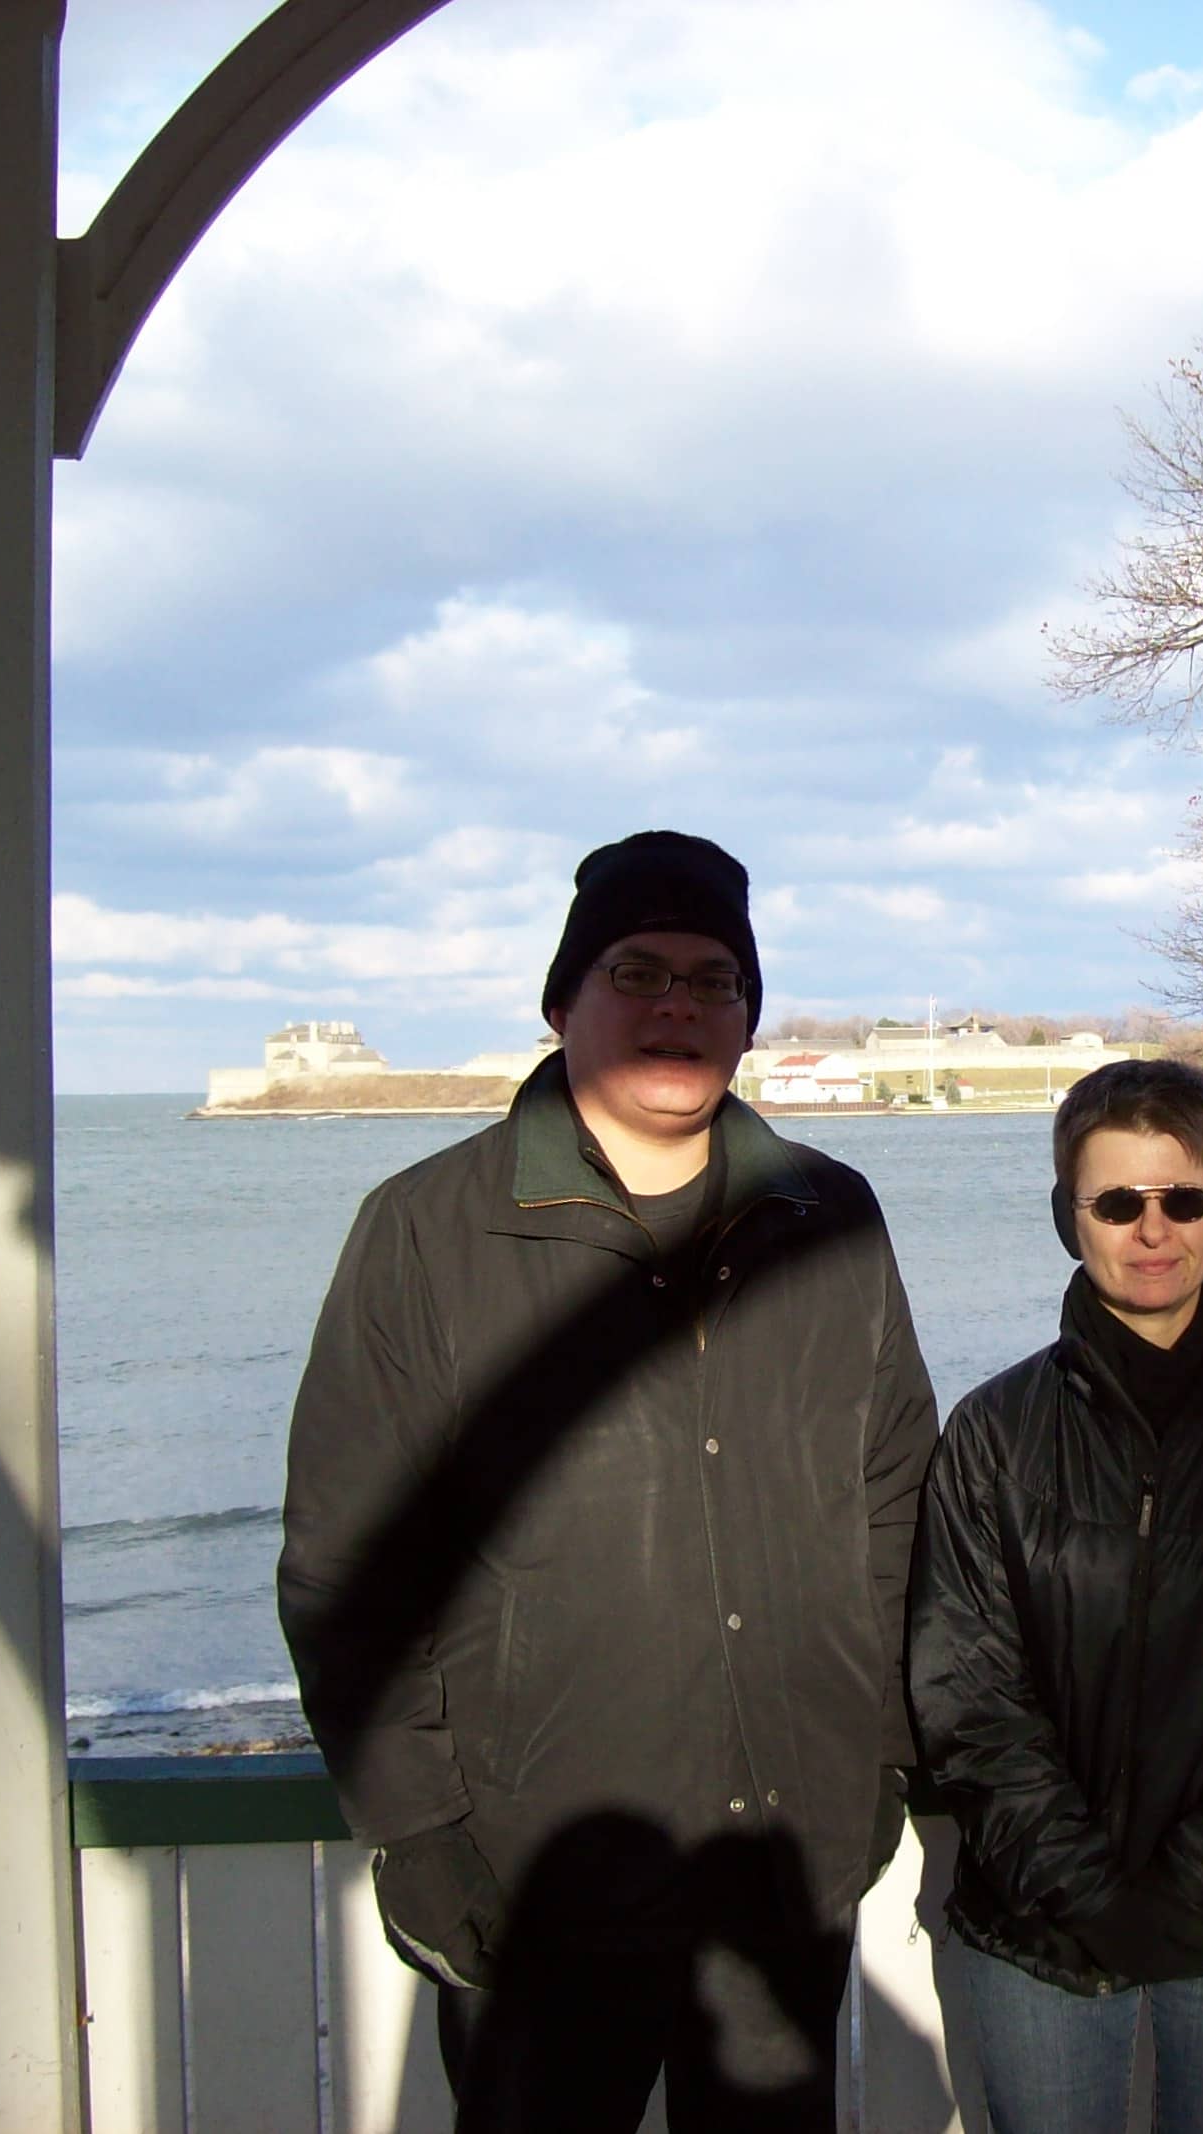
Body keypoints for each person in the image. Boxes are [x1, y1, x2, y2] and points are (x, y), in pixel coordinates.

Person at [277, 830, 938, 2134]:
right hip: (534, 1879)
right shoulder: (425, 1231)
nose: (679, 1006)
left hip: (782, 1860)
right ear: (561, 1001)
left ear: (747, 1018)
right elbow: (347, 1560)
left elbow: (894, 1497)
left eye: (715, 981)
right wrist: (422, 1838)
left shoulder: (831, 1217)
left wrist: (878, 1762)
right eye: (638, 972)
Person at [906, 1057, 1203, 2134]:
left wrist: (1193, 1886)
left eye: (1184, 1199)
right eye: (1118, 1201)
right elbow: (966, 1693)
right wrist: (1088, 1893)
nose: (1153, 1230)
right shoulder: (994, 1432)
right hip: (1040, 1931)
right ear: (1069, 1216)